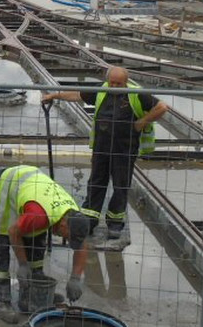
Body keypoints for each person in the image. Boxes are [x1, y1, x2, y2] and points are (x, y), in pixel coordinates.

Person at [42, 66, 168, 242]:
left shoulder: (137, 94)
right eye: (112, 82)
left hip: (124, 149)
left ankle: (115, 224)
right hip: (102, 148)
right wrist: (55, 95)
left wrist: (142, 122)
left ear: (126, 82)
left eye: (119, 83)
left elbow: (162, 107)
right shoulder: (102, 90)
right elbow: (79, 95)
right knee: (96, 182)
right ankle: (90, 220)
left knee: (121, 185)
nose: (114, 86)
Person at [0, 164, 92, 324]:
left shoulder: (73, 214)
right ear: (64, 225)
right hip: (4, 185)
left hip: (31, 191)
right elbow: (14, 232)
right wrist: (22, 263)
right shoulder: (39, 215)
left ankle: (34, 292)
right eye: (68, 237)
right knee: (1, 243)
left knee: (36, 237)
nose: (68, 241)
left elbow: (82, 244)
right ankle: (2, 301)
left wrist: (76, 278)